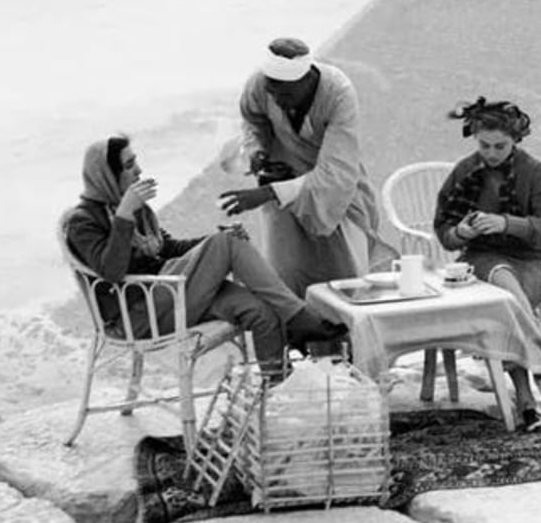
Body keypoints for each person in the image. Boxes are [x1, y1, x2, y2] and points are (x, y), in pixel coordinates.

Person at [66, 136, 347, 380]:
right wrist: (125, 215)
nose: (139, 170)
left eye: (135, 161)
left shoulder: (135, 209)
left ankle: (276, 393)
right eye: (128, 166)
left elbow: (170, 248)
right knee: (226, 245)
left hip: (173, 294)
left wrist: (213, 241)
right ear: (105, 175)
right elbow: (111, 272)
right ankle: (300, 317)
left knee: (262, 312)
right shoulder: (83, 222)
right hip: (138, 313)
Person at [433, 97, 541, 431]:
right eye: (484, 145)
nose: (491, 153)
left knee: (507, 298)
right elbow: (444, 231)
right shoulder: (465, 171)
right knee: (502, 285)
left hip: (528, 262)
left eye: (500, 146)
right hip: (478, 261)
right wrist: (461, 231)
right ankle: (540, 374)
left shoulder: (535, 172)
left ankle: (527, 401)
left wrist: (507, 224)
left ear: (516, 140)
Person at [220, 37, 394, 295]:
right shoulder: (260, 83)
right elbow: (252, 121)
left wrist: (268, 194)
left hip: (333, 193)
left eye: (286, 94)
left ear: (307, 81)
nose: (277, 100)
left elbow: (335, 170)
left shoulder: (338, 93)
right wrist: (257, 152)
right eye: (273, 92)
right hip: (280, 191)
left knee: (345, 279)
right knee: (286, 272)